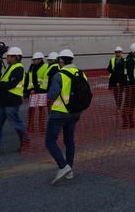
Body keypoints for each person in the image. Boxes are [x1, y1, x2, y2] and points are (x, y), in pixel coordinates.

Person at [45, 49, 87, 185]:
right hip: (75, 112)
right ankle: (70, 169)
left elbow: (52, 95)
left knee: (50, 141)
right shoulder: (81, 73)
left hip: (59, 113)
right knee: (69, 141)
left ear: (61, 60)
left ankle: (63, 166)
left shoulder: (59, 75)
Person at [0, 47, 28, 152]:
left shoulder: (18, 69)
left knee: (16, 123)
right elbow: (3, 81)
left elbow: (10, 84)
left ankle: (25, 142)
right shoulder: (10, 67)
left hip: (12, 101)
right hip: (3, 100)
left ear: (15, 57)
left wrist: (0, 84)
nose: (6, 58)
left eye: (8, 56)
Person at [26, 51, 49, 133]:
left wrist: (37, 89)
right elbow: (28, 78)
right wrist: (27, 90)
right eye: (33, 60)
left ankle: (41, 128)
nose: (34, 61)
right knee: (31, 110)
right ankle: (30, 127)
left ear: (40, 59)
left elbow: (45, 80)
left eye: (35, 59)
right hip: (32, 92)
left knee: (41, 111)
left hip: (41, 92)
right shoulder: (32, 67)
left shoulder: (46, 67)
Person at [107, 46, 126, 115]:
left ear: (121, 52)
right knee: (116, 95)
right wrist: (112, 70)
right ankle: (118, 106)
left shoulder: (124, 61)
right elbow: (108, 69)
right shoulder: (112, 60)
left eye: (119, 52)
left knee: (120, 94)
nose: (118, 53)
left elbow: (125, 71)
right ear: (115, 53)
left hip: (121, 80)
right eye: (117, 52)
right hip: (114, 80)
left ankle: (119, 107)